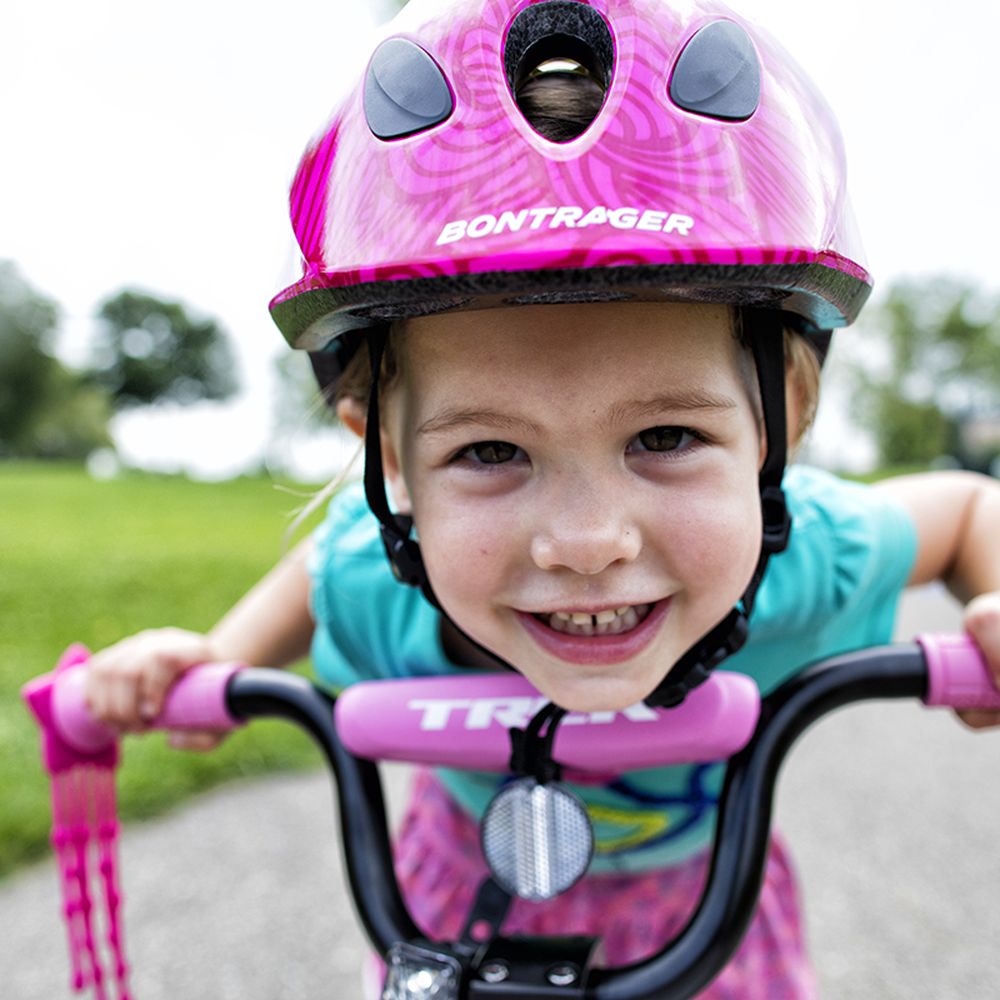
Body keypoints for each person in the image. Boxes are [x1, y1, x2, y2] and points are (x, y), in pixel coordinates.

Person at [84, 0, 1000, 995]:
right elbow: (325, 569)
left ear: (781, 423)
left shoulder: (807, 554)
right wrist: (217, 663)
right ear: (390, 461)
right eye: (489, 451)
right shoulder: (374, 568)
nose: (586, 541)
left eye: (665, 437)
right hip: (461, 886)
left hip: (705, 898)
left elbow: (964, 513)